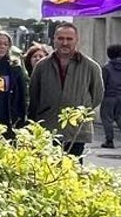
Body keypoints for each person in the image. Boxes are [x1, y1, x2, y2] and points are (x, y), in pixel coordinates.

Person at [28, 23, 104, 158]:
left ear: (76, 40)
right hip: (48, 128)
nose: (65, 42)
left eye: (69, 39)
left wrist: (79, 112)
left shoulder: (91, 67)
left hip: (76, 131)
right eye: (61, 38)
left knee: (73, 170)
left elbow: (97, 96)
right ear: (54, 40)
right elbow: (34, 96)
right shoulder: (42, 66)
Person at [100, 44, 121, 148]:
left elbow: (102, 84)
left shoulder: (107, 68)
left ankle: (109, 141)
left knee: (107, 118)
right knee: (120, 117)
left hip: (109, 96)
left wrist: (99, 97)